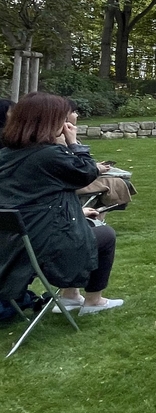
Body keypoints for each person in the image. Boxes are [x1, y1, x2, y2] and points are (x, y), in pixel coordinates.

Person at [0, 93, 123, 314]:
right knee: (105, 236)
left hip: (12, 243)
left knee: (81, 226)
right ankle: (94, 300)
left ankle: (70, 296)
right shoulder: (47, 155)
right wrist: (74, 143)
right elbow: (84, 173)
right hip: (39, 245)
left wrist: (78, 211)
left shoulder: (7, 154)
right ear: (46, 121)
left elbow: (36, 197)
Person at [60, 100, 137, 210]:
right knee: (121, 183)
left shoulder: (61, 136)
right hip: (73, 185)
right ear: (65, 115)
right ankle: (95, 220)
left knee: (119, 178)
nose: (77, 115)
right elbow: (76, 170)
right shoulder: (60, 140)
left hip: (75, 180)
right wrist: (94, 168)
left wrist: (94, 166)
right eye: (74, 112)